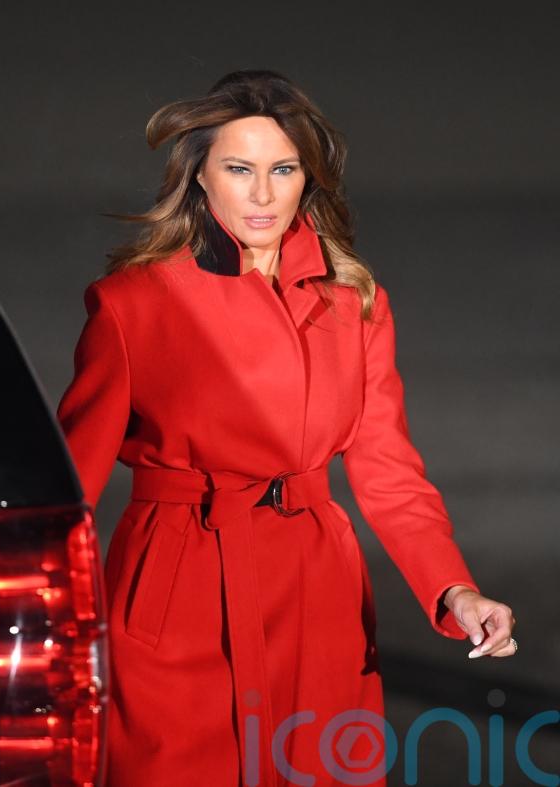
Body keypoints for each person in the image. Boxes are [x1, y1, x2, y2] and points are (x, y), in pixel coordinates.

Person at [56, 69, 517, 787]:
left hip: (316, 592)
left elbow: (388, 469)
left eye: (283, 169)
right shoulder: (133, 304)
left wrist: (454, 589)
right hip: (177, 590)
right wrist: (29, 619)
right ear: (199, 175)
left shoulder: (353, 301)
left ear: (308, 178)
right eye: (239, 169)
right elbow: (66, 488)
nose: (264, 195)